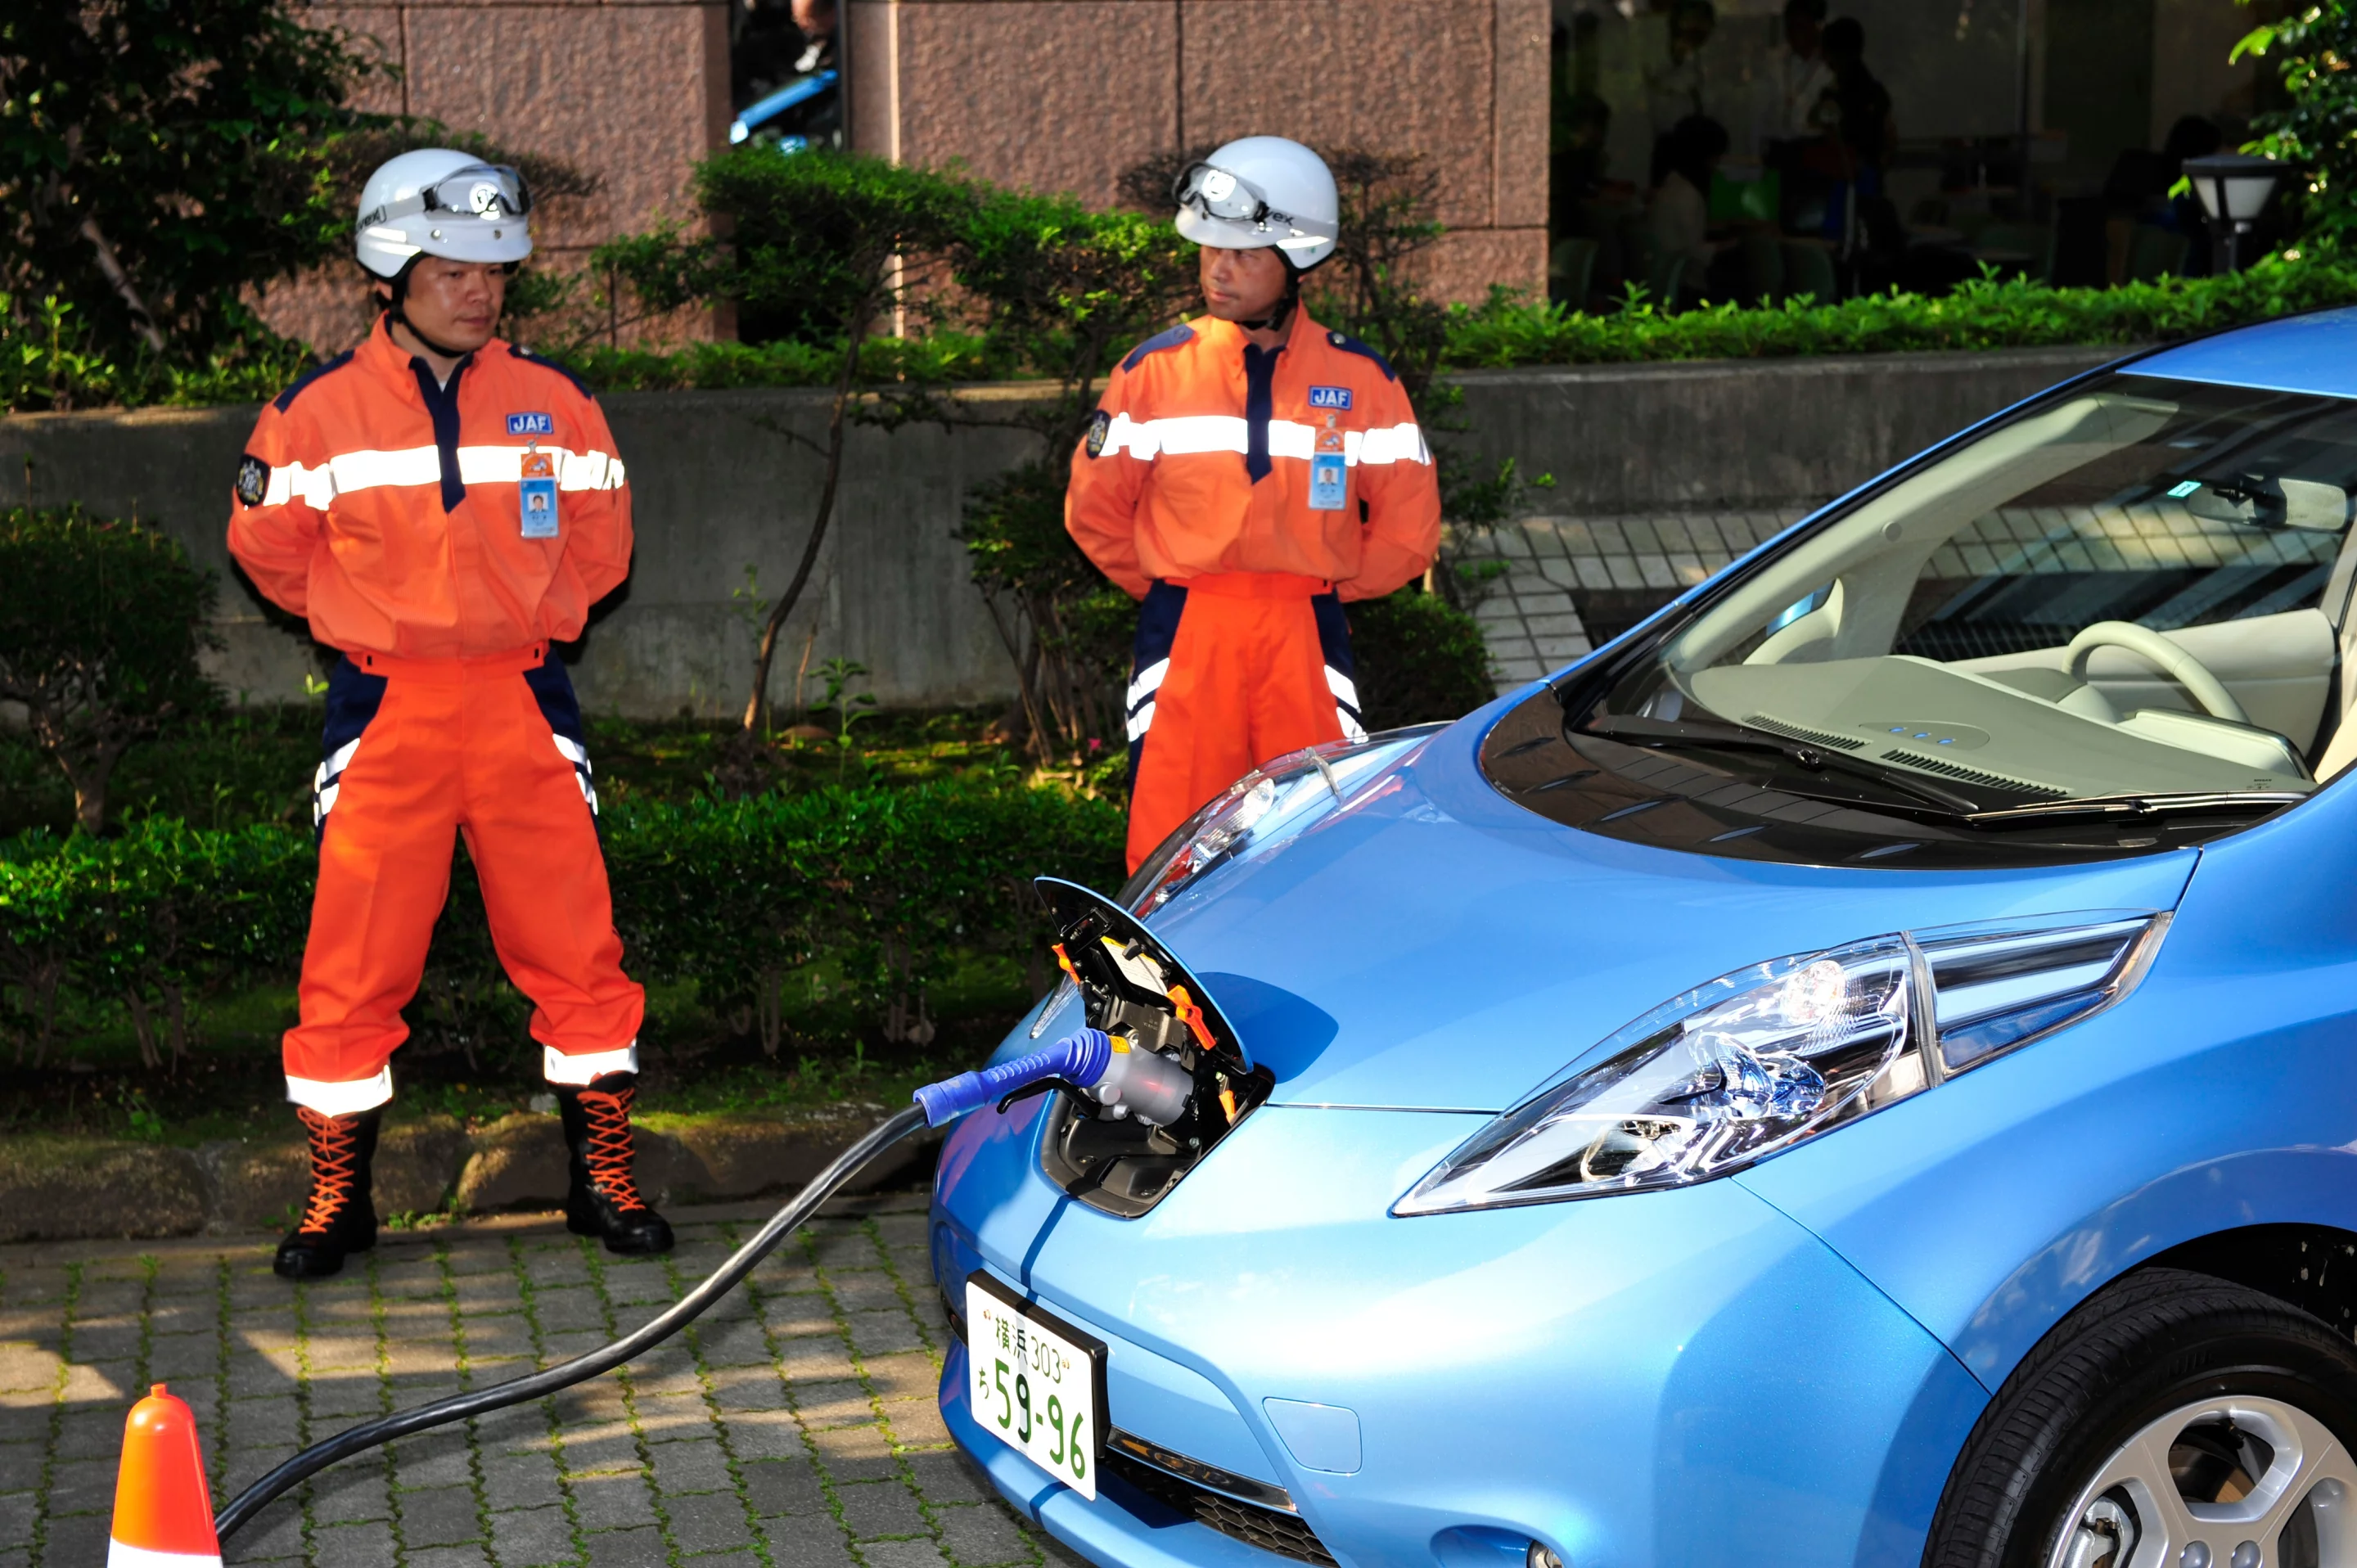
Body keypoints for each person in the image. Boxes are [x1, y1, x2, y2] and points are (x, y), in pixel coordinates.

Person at [228, 148, 671, 1278]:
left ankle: (602, 1179)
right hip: (386, 708)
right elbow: (269, 551)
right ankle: (339, 1198)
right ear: (390, 273)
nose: (483, 291)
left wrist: (526, 617)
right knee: (352, 964)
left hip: (525, 697)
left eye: (497, 270)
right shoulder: (314, 414)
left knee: (578, 950)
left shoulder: (559, 403)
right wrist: (374, 620)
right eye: (456, 270)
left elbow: (603, 546)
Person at [1065, 137, 1442, 872]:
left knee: (1318, 835)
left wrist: (1316, 589)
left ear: (1298, 257)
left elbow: (1409, 528)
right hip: (1187, 628)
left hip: (1304, 630)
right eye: (1209, 249)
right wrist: (1177, 589)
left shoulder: (1363, 380)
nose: (1217, 268)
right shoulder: (1154, 372)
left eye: (1241, 254)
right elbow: (1093, 511)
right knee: (1174, 843)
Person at [1648, 114, 1731, 304]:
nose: (1717, 164)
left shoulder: (1672, 185)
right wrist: (1737, 244)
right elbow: (1696, 253)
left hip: (1666, 280)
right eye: (1716, 157)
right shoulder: (1687, 195)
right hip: (1684, 289)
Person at [1751, 0, 1832, 160]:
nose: (1794, 34)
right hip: (1776, 150)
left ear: (1817, 27)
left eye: (1801, 27)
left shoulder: (1829, 67)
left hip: (1813, 153)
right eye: (1790, 28)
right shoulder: (1775, 63)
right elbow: (1760, 113)